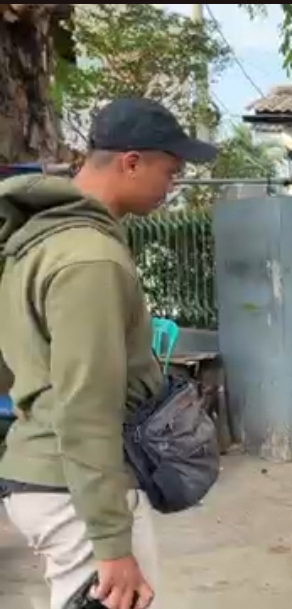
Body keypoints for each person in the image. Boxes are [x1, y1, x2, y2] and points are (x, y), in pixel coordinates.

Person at [0, 97, 218, 609]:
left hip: (49, 476)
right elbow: (86, 405)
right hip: (75, 492)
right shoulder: (89, 259)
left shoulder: (38, 241)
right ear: (132, 161)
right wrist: (112, 542)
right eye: (171, 170)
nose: (173, 185)